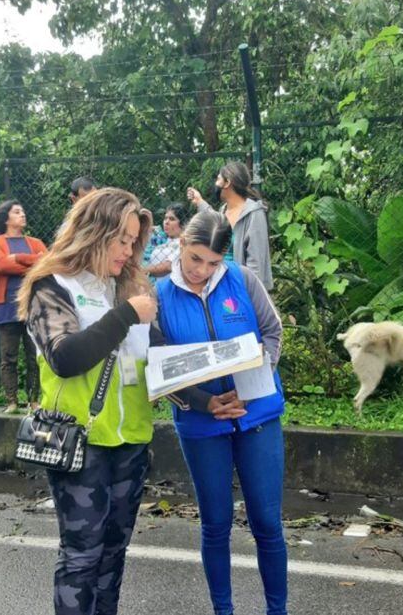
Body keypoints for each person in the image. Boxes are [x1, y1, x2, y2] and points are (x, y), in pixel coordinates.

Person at [17, 187, 157, 615]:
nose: (129, 250)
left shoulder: (128, 286)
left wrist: (204, 396)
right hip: (79, 442)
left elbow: (157, 359)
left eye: (134, 241)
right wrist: (128, 314)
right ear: (96, 232)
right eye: (122, 240)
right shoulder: (52, 284)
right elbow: (65, 356)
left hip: (131, 439)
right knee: (82, 556)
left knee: (114, 555)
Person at [155, 210, 287, 615]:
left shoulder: (243, 280)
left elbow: (272, 333)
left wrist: (248, 388)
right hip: (200, 421)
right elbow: (157, 364)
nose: (202, 270)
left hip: (257, 413)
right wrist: (202, 402)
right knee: (215, 523)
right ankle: (223, 610)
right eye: (195, 259)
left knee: (267, 522)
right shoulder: (158, 294)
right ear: (181, 245)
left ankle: (277, 611)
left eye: (213, 263)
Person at [0, 200, 46, 414]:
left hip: (33, 306)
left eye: (23, 210)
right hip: (5, 307)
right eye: (17, 212)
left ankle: (34, 400)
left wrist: (17, 257)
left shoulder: (35, 242)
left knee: (34, 356)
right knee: (8, 356)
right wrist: (31, 262)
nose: (23, 214)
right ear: (6, 218)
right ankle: (11, 401)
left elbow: (45, 264)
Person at [187, 161, 274, 291]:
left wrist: (248, 294)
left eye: (218, 179)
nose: (215, 184)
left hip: (241, 289)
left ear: (227, 183)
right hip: (220, 286)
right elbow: (216, 225)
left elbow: (256, 262)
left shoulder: (254, 213)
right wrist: (200, 202)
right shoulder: (224, 210)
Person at [145, 202, 193, 279]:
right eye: (165, 218)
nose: (166, 222)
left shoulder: (185, 242)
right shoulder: (162, 239)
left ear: (183, 223)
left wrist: (142, 271)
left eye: (172, 219)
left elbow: (168, 267)